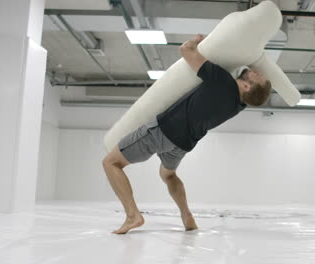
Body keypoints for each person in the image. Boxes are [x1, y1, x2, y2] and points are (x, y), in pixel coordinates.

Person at [102, 34, 272, 234]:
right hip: (183, 145)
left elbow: (185, 50)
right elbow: (254, 93)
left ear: (246, 86)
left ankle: (133, 215)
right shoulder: (239, 105)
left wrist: (199, 40)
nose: (255, 71)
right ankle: (187, 216)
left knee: (110, 163)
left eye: (257, 75)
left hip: (163, 131)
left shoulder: (222, 82)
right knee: (168, 175)